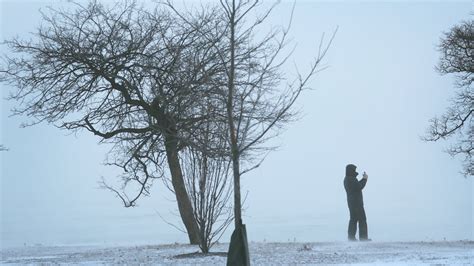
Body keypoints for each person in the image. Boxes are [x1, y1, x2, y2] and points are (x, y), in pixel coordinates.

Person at [343, 164, 370, 241]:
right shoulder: (351, 179)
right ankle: (363, 238)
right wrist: (365, 179)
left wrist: (363, 179)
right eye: (354, 170)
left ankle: (351, 238)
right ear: (351, 170)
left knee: (353, 219)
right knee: (362, 220)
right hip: (356, 203)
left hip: (351, 203)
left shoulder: (347, 179)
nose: (355, 171)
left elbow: (357, 186)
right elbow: (359, 186)